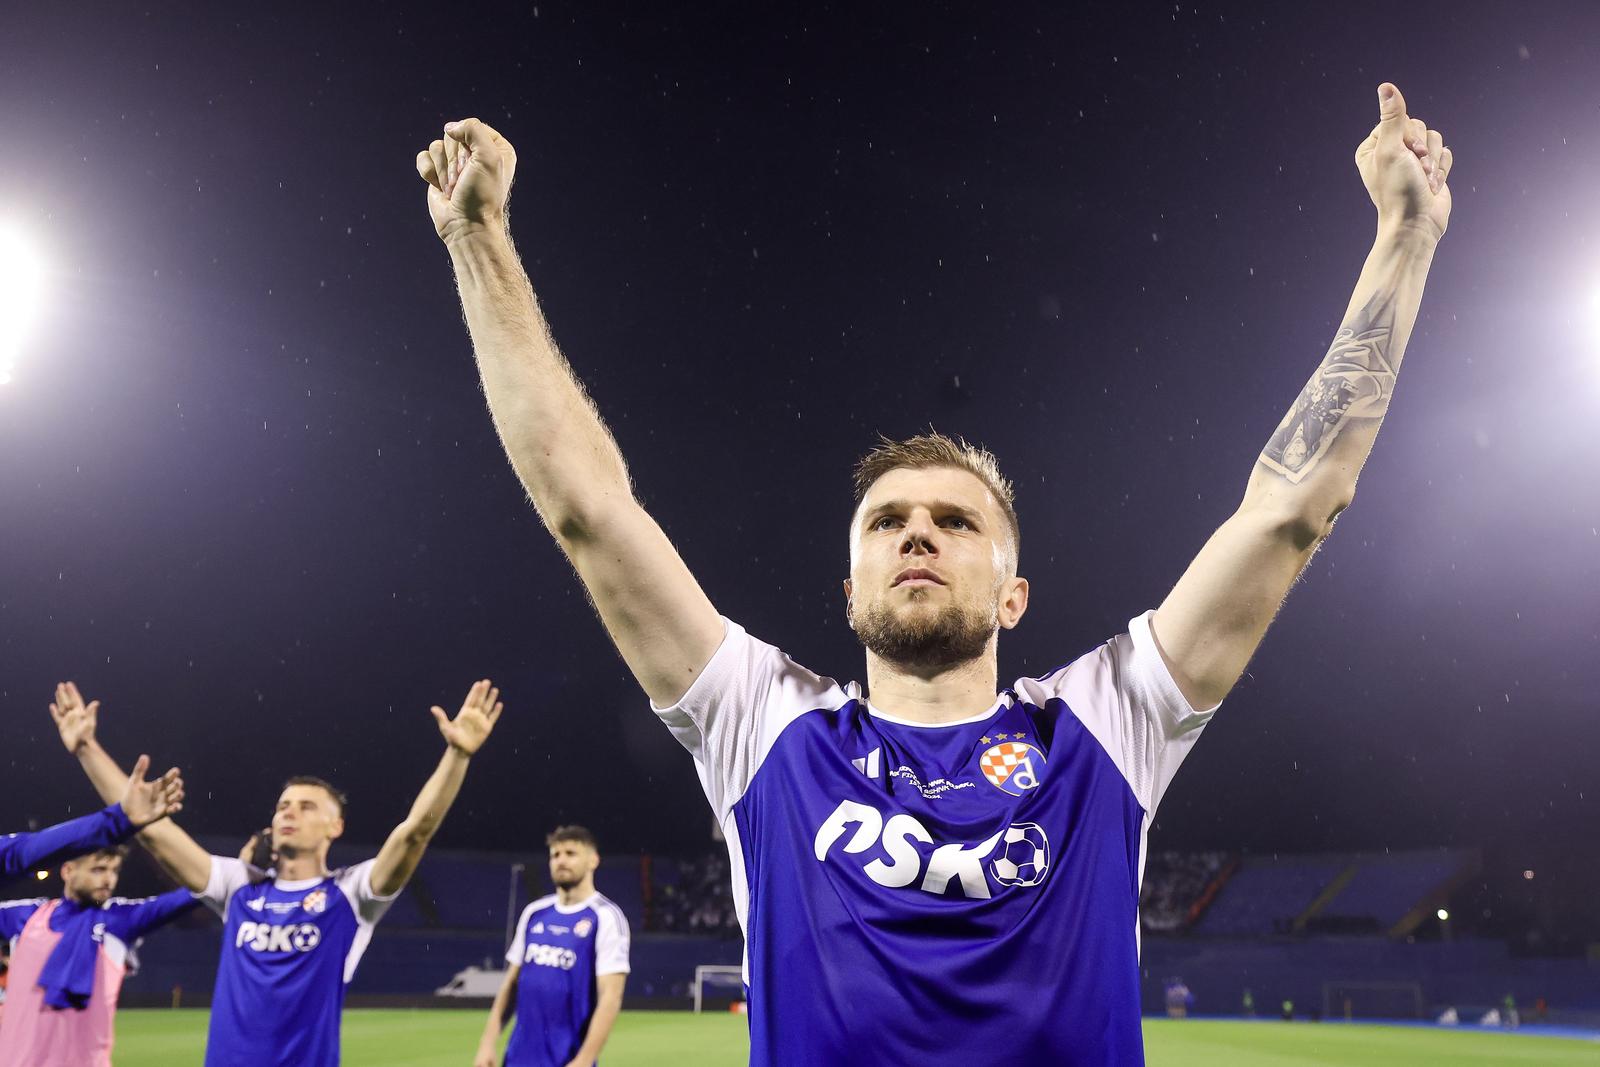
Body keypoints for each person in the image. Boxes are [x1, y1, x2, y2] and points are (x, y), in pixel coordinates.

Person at [417, 81, 1452, 1064]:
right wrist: (477, 237)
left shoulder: (1103, 724)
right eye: (886, 521)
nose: (917, 533)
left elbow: (1288, 511)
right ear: (847, 591)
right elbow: (587, 510)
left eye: (955, 520)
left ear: (1013, 596)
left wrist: (1405, 235)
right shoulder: (763, 723)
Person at [49, 679, 505, 1067]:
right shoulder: (238, 888)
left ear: (336, 826)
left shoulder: (352, 895)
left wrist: (457, 756)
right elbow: (150, 832)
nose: (290, 813)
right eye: (284, 806)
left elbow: (413, 835)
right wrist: (87, 749)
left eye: (307, 807)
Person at [0, 841, 196, 1067]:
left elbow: (192, 894)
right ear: (68, 871)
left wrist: (231, 872)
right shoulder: (27, 918)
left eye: (114, 870)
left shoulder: (119, 921)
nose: (108, 879)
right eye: (98, 870)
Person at [476, 826, 630, 1067]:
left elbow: (610, 997)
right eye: (555, 855)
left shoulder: (606, 917)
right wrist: (487, 1043)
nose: (561, 861)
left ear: (593, 860)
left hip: (567, 1060)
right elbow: (511, 984)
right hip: (517, 1059)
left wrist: (584, 1060)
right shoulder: (535, 914)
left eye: (570, 853)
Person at [1, 757, 185, 879]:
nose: (108, 880)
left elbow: (22, 851)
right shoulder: (20, 915)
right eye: (99, 870)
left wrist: (119, 819)